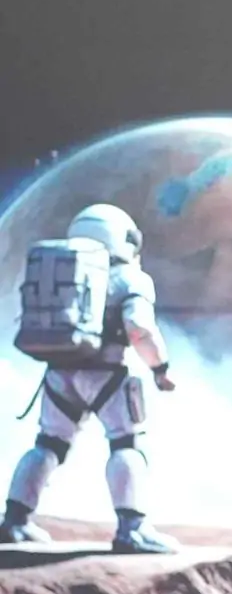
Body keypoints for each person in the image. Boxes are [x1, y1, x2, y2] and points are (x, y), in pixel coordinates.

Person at [4, 203, 179, 553]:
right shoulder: (130, 279)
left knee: (48, 444)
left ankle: (15, 521)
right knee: (126, 445)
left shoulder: (64, 271)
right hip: (108, 375)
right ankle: (132, 529)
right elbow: (140, 328)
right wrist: (160, 368)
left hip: (58, 373)